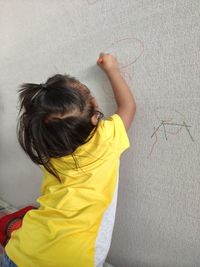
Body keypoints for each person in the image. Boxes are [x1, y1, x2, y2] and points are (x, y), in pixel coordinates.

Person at [2, 53, 136, 267]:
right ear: (95, 118)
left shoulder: (50, 152)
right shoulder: (107, 139)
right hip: (74, 259)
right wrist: (112, 70)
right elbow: (128, 107)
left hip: (21, 251)